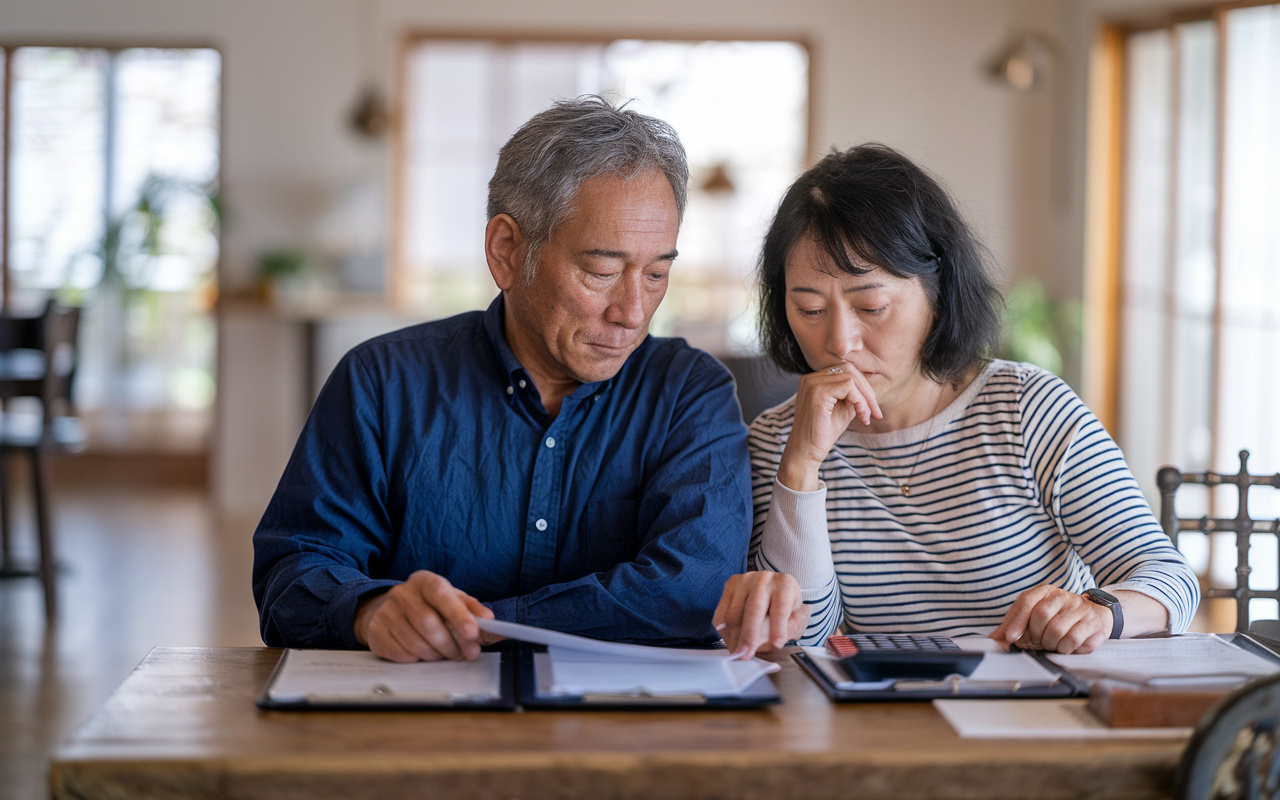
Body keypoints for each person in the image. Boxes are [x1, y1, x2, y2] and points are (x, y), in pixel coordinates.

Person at [253, 96, 752, 662]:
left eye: (659, 272)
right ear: (507, 250)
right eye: (602, 271)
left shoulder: (689, 392)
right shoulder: (382, 382)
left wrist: (478, 626)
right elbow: (291, 577)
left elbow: (691, 590)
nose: (633, 311)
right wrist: (370, 612)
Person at [713, 144, 1199, 658]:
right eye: (809, 309)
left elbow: (1169, 579)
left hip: (1027, 716)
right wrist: (803, 465)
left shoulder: (1027, 410)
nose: (840, 341)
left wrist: (1102, 611)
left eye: (871, 306)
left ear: (937, 292)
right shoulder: (776, 440)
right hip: (877, 722)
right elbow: (803, 642)